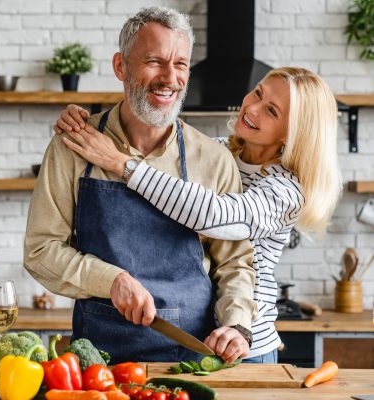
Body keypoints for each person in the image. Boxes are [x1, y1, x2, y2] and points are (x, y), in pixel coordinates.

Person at [54, 67, 343, 363]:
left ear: (292, 133)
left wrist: (120, 163)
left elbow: (213, 215)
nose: (252, 108)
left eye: (271, 110)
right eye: (258, 92)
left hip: (244, 341)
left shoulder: (285, 190)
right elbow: (157, 142)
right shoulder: (218, 152)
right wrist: (91, 124)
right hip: (199, 334)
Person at [24, 6, 257, 365]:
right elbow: (41, 250)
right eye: (154, 61)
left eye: (180, 64)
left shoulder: (212, 159)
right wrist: (111, 280)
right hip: (98, 361)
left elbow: (235, 263)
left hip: (193, 358)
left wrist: (236, 325)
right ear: (120, 66)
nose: (170, 77)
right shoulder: (73, 145)